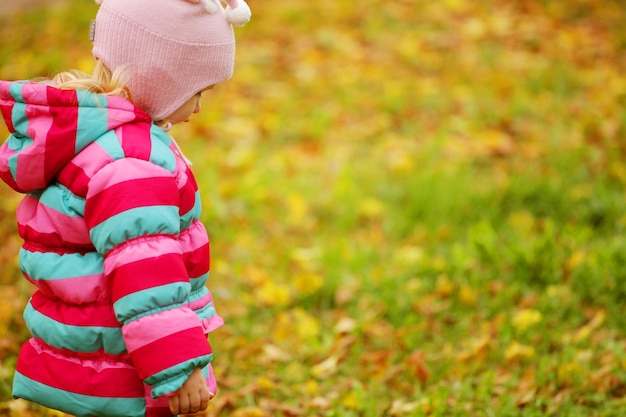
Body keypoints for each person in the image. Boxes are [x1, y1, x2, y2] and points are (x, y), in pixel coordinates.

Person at [0, 0, 250, 416]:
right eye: (197, 91)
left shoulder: (99, 136)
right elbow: (146, 278)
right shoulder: (131, 163)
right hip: (130, 363)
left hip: (106, 350)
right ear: (161, 78)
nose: (200, 107)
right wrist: (178, 366)